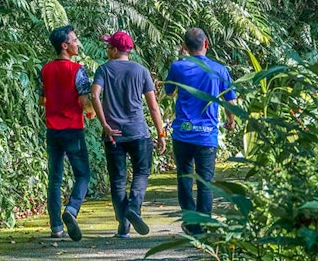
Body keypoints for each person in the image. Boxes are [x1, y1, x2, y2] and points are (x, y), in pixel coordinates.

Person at [91, 31, 166, 238]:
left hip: (114, 135)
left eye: (108, 47)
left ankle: (123, 225)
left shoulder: (104, 70)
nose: (107, 51)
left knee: (117, 180)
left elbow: (94, 94)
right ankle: (134, 207)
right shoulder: (141, 71)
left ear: (115, 50)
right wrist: (161, 133)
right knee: (141, 173)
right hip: (138, 132)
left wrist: (104, 123)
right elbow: (153, 107)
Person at [165, 27, 236, 235]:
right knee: (206, 181)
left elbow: (169, 93)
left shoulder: (178, 67)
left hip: (183, 134)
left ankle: (190, 220)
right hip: (207, 135)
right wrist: (230, 122)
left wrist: (182, 59)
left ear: (185, 46)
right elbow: (230, 100)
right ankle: (203, 222)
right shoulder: (220, 70)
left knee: (184, 177)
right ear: (207, 44)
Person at [39, 25, 95, 241]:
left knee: (55, 179)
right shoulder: (77, 70)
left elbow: (42, 100)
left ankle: (56, 228)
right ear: (65, 46)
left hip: (53, 131)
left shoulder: (45, 70)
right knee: (83, 174)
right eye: (74, 40)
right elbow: (84, 100)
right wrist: (91, 112)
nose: (77, 43)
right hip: (73, 129)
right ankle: (71, 209)